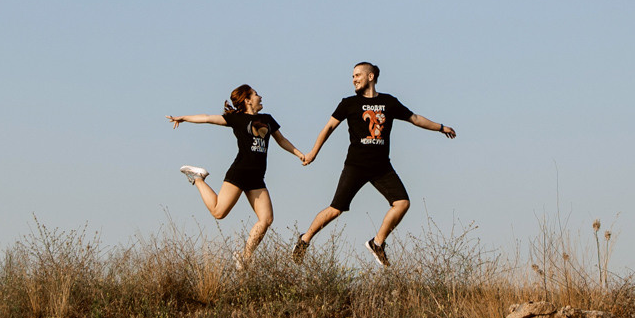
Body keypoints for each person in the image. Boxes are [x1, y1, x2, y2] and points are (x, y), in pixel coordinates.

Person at [292, 61, 455, 266]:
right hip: (356, 165)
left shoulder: (389, 102)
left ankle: (377, 243)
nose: (354, 79)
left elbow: (414, 118)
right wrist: (313, 153)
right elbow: (328, 128)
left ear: (370, 77)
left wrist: (441, 127)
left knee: (402, 203)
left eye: (358, 75)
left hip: (381, 167)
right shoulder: (348, 103)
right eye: (353, 76)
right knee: (336, 209)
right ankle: (304, 240)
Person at [166, 86, 302, 261]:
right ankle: (198, 178)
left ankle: (245, 258)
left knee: (266, 219)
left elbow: (281, 140)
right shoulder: (237, 118)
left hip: (257, 177)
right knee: (218, 212)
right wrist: (184, 118)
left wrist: (300, 154)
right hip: (241, 171)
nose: (260, 97)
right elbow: (207, 118)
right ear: (247, 100)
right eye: (256, 94)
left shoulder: (267, 119)